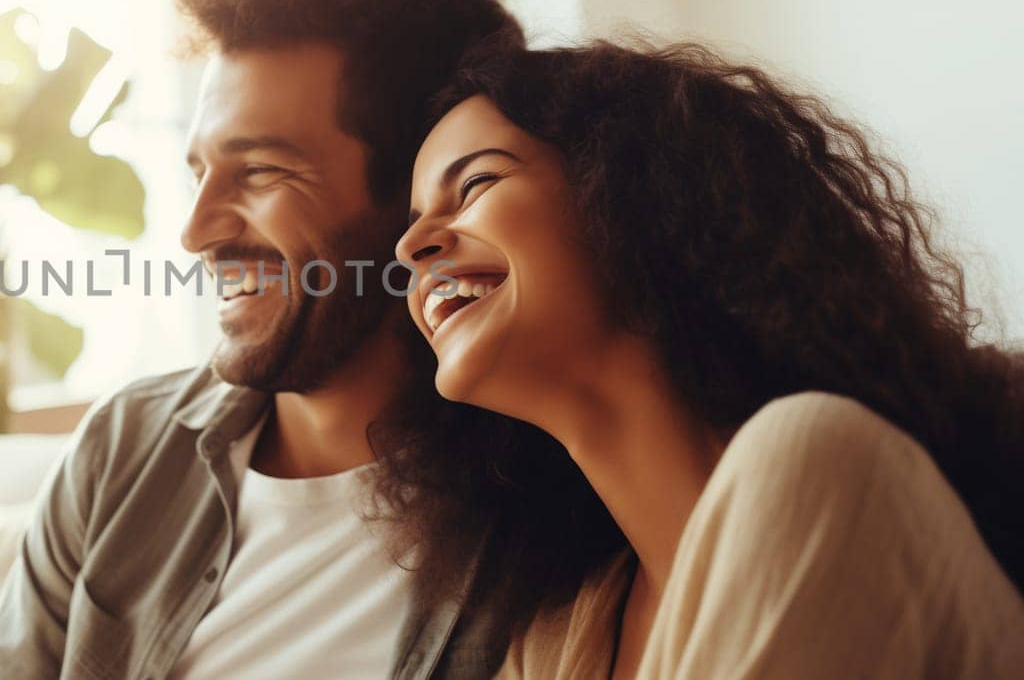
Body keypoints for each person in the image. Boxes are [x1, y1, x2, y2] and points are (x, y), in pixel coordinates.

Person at [0, 0, 527, 679]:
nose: (197, 231)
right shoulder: (127, 449)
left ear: (420, 194)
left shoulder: (545, 494)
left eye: (260, 171)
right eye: (199, 171)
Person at [389, 38, 1024, 677]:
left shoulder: (826, 462)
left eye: (475, 183)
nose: (410, 245)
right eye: (416, 220)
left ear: (635, 195)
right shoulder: (550, 643)